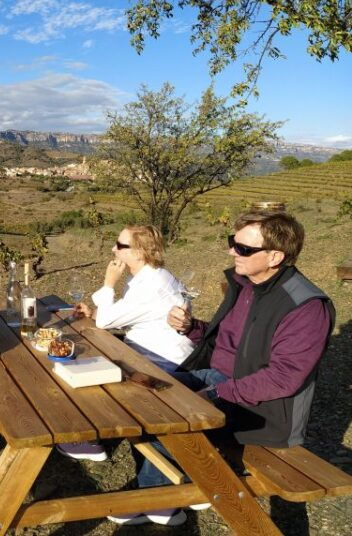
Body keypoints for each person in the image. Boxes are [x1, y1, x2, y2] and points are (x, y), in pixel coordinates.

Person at [108, 210, 335, 527]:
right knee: (135, 394)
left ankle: (163, 499)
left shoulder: (306, 307)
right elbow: (228, 341)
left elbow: (283, 379)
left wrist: (215, 392)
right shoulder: (247, 284)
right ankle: (169, 487)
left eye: (243, 248)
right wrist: (192, 328)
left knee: (165, 418)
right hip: (217, 380)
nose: (231, 252)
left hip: (261, 409)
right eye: (233, 242)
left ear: (275, 256)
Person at [59, 224, 194, 462]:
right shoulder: (153, 276)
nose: (114, 249)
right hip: (153, 349)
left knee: (92, 368)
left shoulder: (151, 284)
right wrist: (95, 313)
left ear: (139, 252)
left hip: (160, 359)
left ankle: (89, 440)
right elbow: (128, 314)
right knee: (93, 354)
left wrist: (109, 282)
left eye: (121, 246)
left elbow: (107, 321)